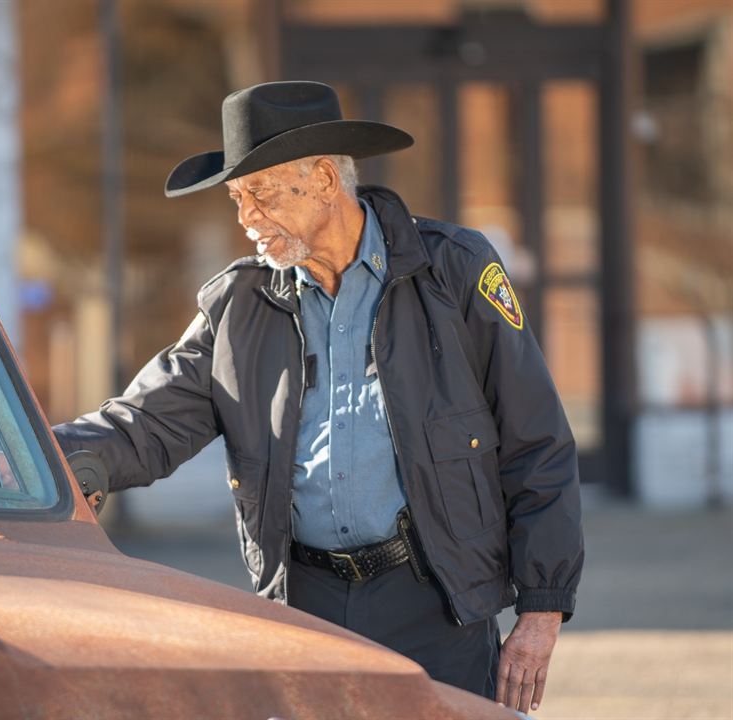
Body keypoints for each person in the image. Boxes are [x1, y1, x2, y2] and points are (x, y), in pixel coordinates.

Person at [52, 81, 583, 712]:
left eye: (262, 194)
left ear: (326, 180)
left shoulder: (456, 271)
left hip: (435, 599)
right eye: (237, 198)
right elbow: (145, 423)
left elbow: (537, 441)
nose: (246, 217)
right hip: (304, 605)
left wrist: (541, 609)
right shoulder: (237, 305)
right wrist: (36, 460)